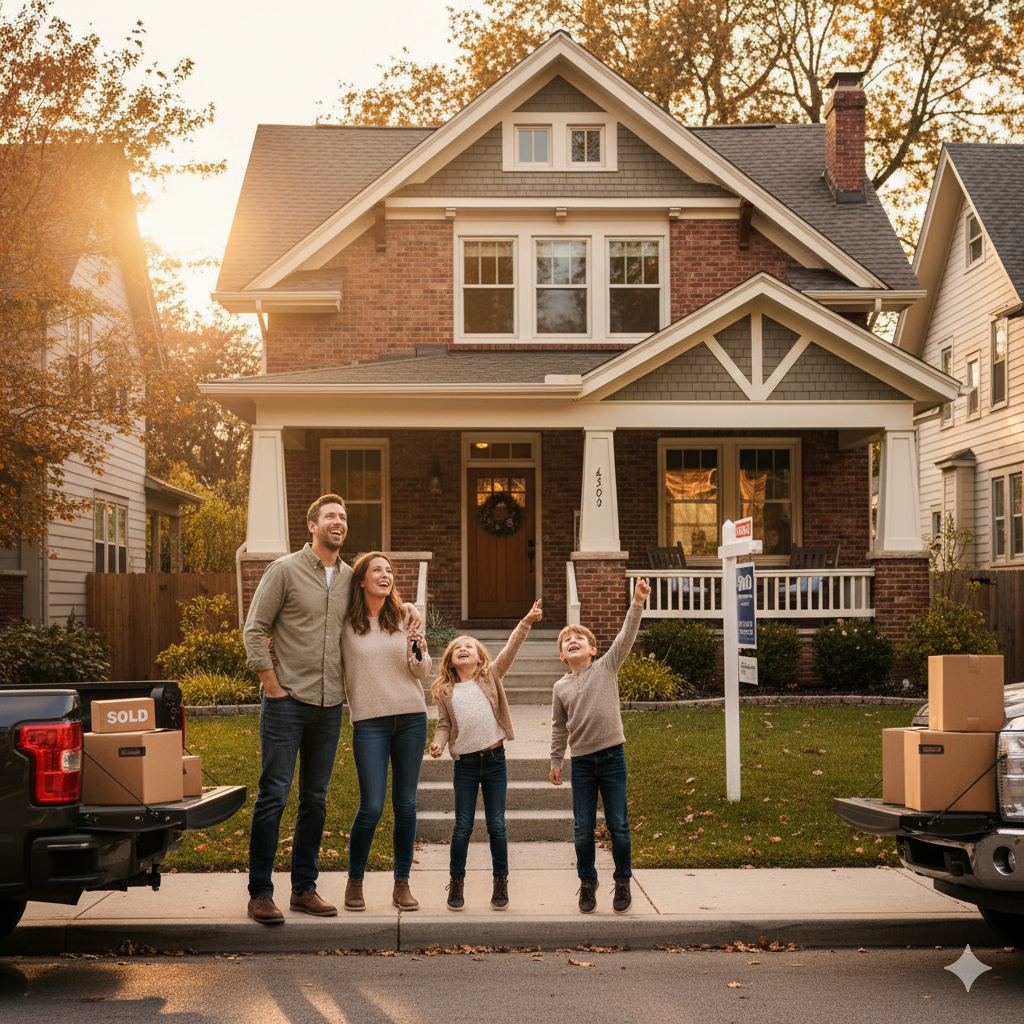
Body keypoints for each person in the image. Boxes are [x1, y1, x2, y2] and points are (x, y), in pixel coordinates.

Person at [241, 494, 352, 925]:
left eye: (343, 517)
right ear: (312, 525)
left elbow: (373, 620)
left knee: (315, 800)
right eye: (330, 516)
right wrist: (272, 686)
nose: (338, 522)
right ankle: (260, 893)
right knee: (274, 795)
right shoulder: (284, 570)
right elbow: (255, 629)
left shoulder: (350, 578)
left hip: (330, 704)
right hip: (286, 702)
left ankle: (304, 888)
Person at [429, 599, 544, 912]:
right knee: (462, 826)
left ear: (480, 657)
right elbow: (444, 725)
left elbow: (510, 649)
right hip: (465, 766)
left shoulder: (490, 676)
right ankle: (456, 881)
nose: (463, 648)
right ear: (451, 661)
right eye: (457, 647)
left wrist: (526, 622)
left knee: (496, 825)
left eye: (469, 645)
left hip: (495, 762)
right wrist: (438, 743)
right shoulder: (445, 691)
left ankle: (500, 880)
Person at [549, 577, 652, 915]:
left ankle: (622, 881)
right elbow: (558, 727)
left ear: (593, 649)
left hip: (612, 759)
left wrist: (637, 602)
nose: (573, 640)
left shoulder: (607, 666)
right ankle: (587, 881)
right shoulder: (560, 688)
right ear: (562, 655)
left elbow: (626, 636)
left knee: (618, 825)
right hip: (581, 764)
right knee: (583, 829)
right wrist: (556, 761)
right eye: (567, 640)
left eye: (579, 638)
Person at [341, 551, 431, 912]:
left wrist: (418, 645)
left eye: (389, 570)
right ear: (362, 580)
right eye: (377, 569)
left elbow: (421, 671)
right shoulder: (346, 623)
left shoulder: (405, 617)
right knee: (372, 806)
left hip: (411, 717)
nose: (385, 575)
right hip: (369, 722)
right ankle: (355, 880)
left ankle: (402, 884)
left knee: (406, 805)